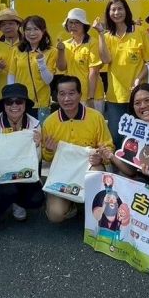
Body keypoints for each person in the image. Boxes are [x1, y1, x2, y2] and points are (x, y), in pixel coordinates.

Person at [39, 75, 114, 223]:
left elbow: (108, 147)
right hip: (62, 174)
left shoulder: (96, 117)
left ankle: (95, 208)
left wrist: (100, 157)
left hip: (89, 168)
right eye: (62, 94)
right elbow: (47, 158)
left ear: (80, 94)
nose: (67, 98)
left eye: (71, 93)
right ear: (56, 97)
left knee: (97, 171)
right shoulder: (49, 122)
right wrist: (49, 151)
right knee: (55, 215)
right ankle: (72, 204)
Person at [0, 83, 43, 243]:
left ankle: (16, 202)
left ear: (25, 104)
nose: (14, 106)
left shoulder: (35, 124)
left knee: (37, 199)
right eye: (9, 102)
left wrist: (38, 145)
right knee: (8, 189)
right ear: (3, 105)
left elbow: (37, 160)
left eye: (19, 101)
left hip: (24, 174)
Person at [95, 0, 149, 147]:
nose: (117, 13)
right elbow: (106, 60)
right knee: (117, 137)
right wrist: (100, 34)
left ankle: (140, 163)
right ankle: (119, 163)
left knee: (140, 138)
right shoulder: (107, 36)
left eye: (120, 9)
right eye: (113, 10)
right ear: (108, 13)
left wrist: (139, 79)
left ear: (126, 10)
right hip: (115, 96)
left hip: (139, 96)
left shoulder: (139, 31)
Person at [9, 15, 64, 121]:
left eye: (36, 29)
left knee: (40, 131)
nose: (32, 33)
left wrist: (41, 62)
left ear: (43, 31)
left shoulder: (51, 51)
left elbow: (48, 80)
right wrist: (12, 96)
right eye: (28, 29)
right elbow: (11, 75)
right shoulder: (17, 50)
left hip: (40, 104)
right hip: (20, 102)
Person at [60, 8, 103, 109]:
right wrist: (60, 51)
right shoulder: (65, 44)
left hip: (92, 97)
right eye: (70, 23)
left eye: (77, 23)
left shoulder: (93, 43)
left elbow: (94, 72)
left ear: (84, 25)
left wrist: (90, 98)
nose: (73, 26)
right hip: (71, 96)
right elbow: (62, 68)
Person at [0, 8, 23, 103]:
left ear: (18, 25)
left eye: (11, 23)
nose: (7, 27)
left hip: (23, 94)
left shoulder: (27, 43)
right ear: (0, 28)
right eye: (3, 24)